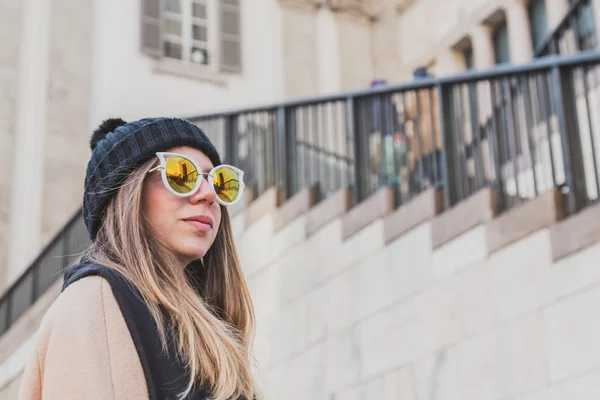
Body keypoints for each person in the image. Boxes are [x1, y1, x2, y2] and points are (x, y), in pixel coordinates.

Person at [18, 117, 258, 400]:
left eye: (220, 182)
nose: (208, 195)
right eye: (181, 174)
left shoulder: (205, 327)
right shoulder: (95, 301)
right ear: (127, 192)